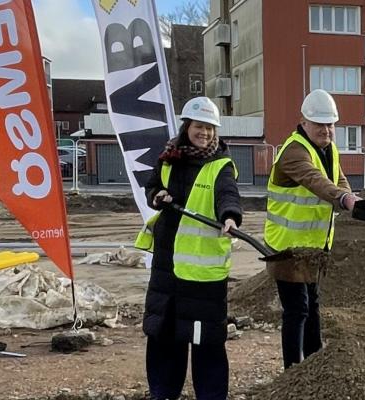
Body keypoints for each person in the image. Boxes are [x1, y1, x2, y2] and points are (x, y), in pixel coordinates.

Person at [134, 96, 242, 400]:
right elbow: (152, 186)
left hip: (202, 276)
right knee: (164, 336)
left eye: (209, 128)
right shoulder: (168, 157)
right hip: (167, 269)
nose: (204, 133)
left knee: (205, 340)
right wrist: (158, 195)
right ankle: (163, 393)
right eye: (199, 126)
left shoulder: (220, 165)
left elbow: (228, 195)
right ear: (187, 127)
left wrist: (230, 217)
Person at [264, 89, 360, 369]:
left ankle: (315, 367)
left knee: (313, 306)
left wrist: (349, 196)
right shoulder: (294, 152)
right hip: (288, 246)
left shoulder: (329, 150)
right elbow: (314, 180)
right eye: (320, 124)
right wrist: (343, 198)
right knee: (297, 310)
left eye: (330, 124)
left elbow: (339, 180)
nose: (326, 130)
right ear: (304, 121)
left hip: (314, 246)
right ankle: (293, 371)